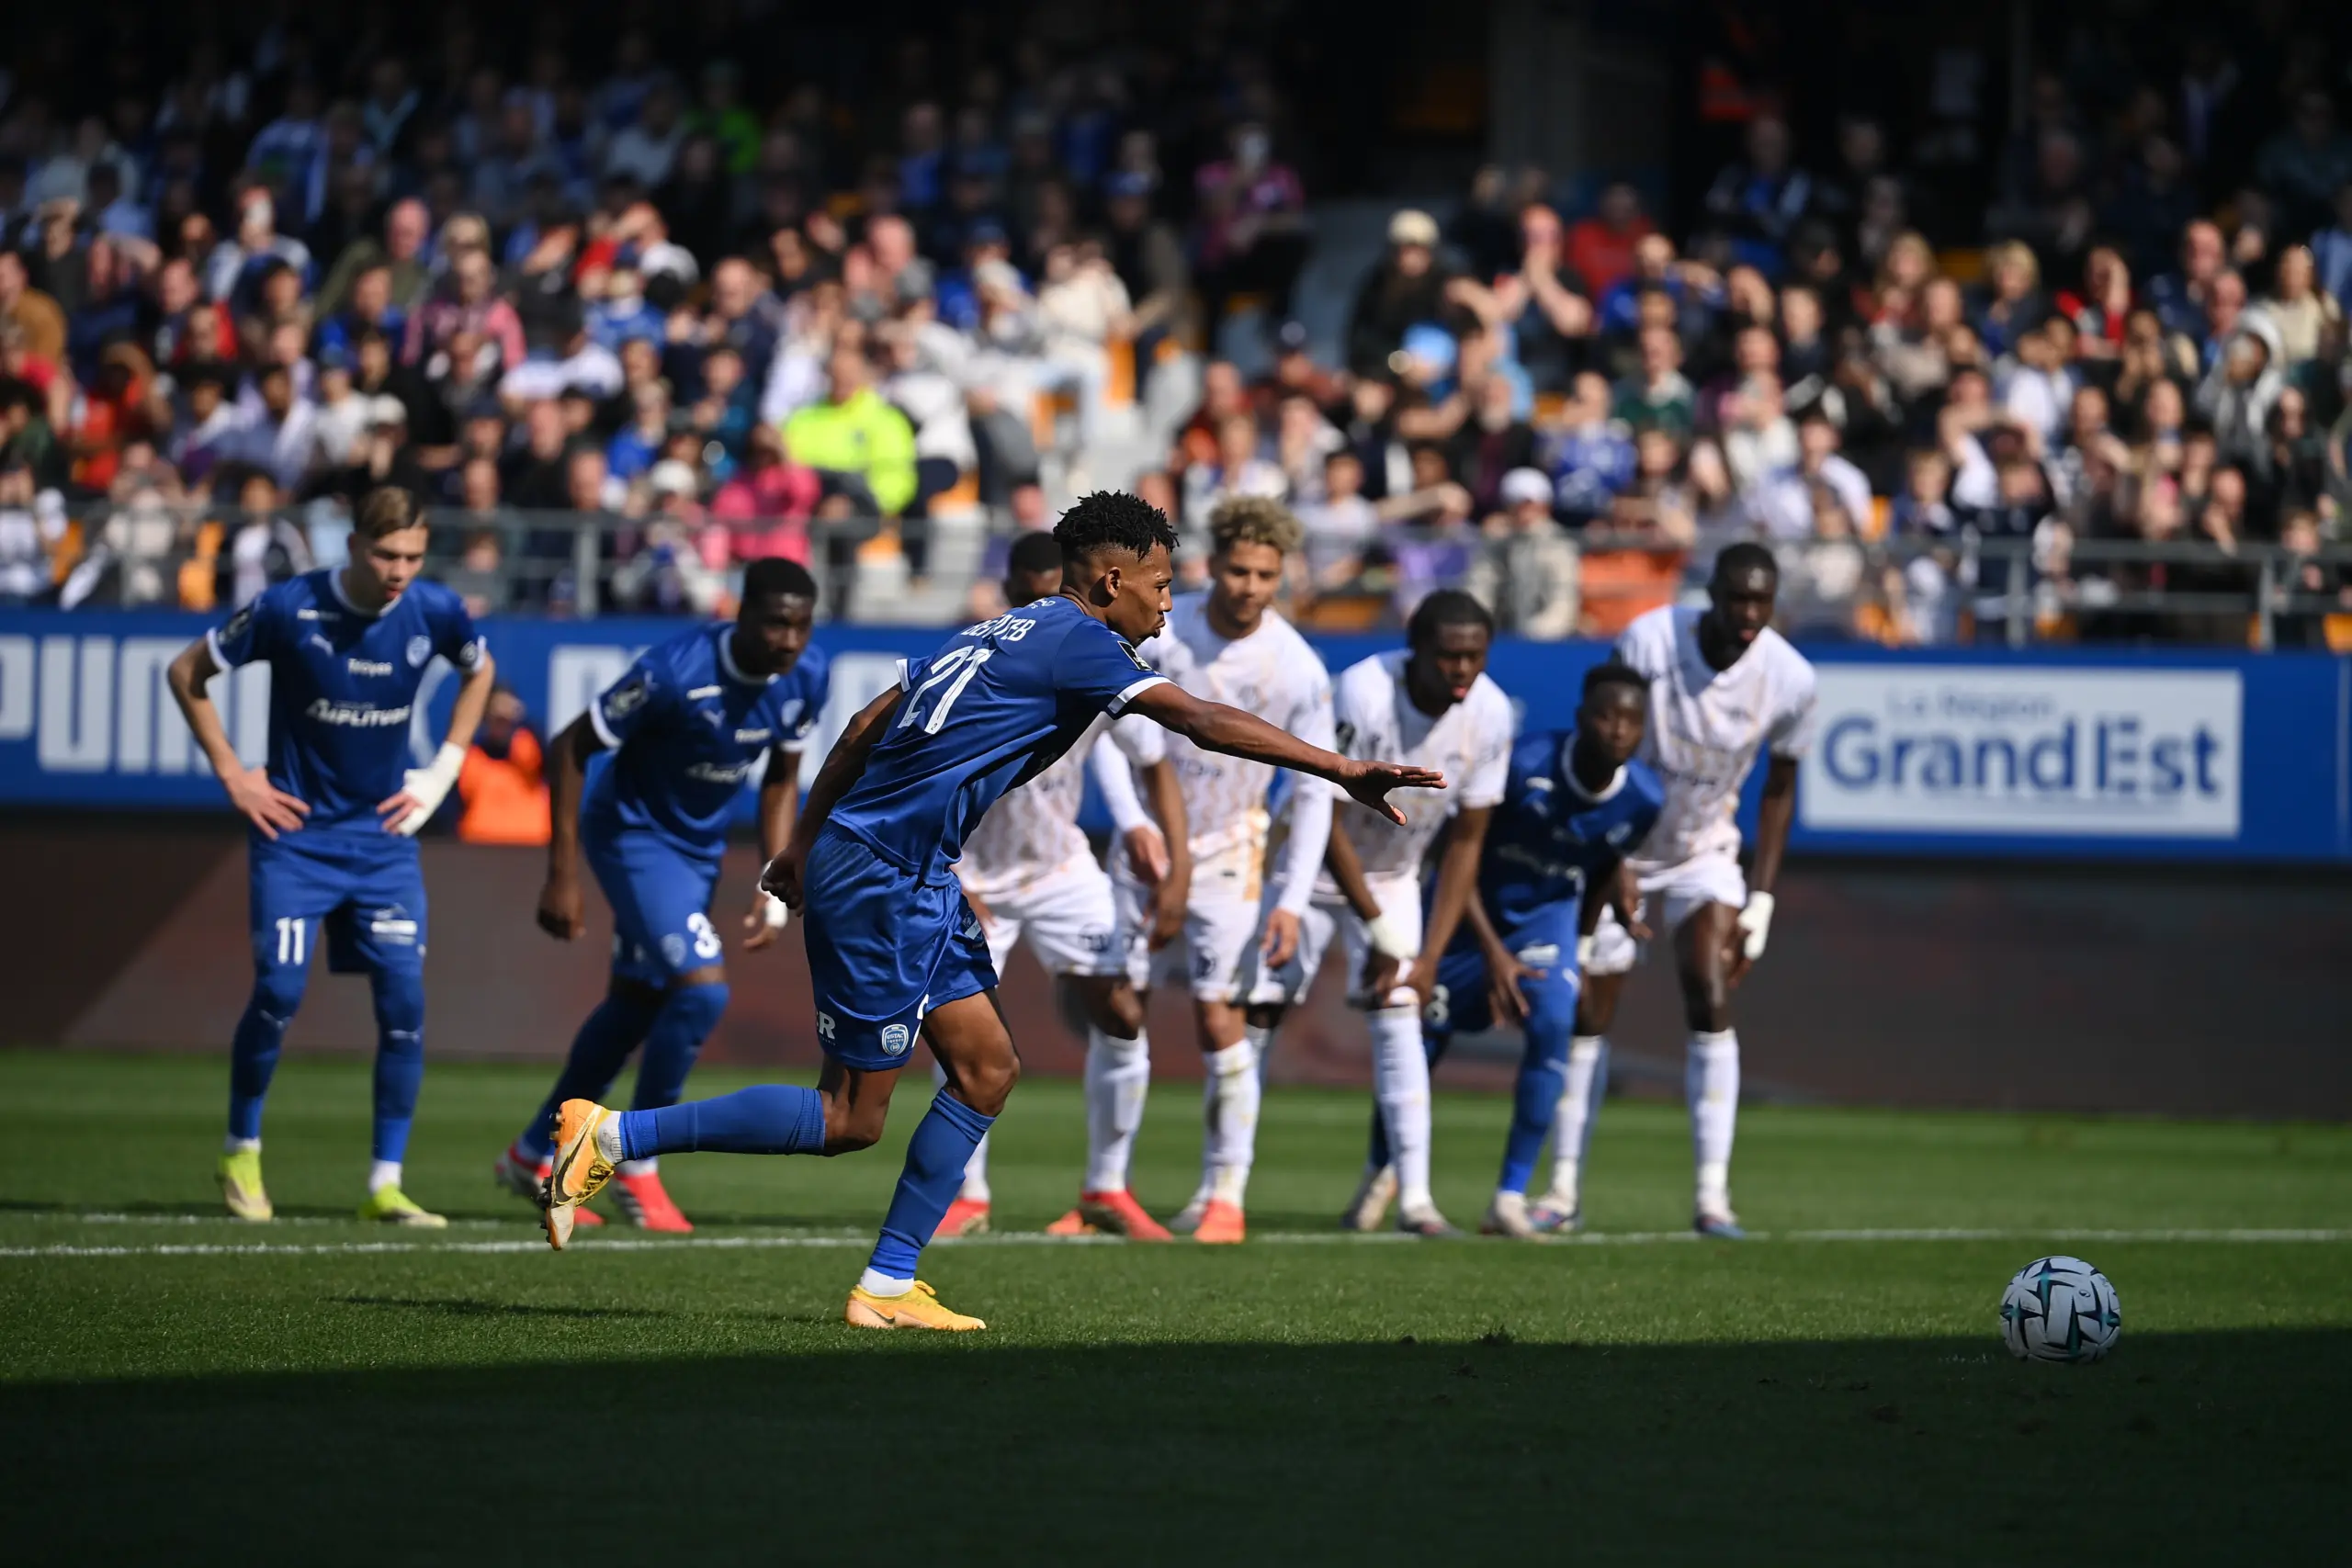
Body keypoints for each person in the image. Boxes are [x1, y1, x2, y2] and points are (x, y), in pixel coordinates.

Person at [537, 492, 1442, 1331]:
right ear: (1110, 581)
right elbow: (1198, 720)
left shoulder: (1004, 627)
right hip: (884, 876)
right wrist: (1341, 768)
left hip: (907, 869)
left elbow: (863, 728)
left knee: (987, 1070)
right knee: (849, 1117)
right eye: (1162, 584)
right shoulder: (1084, 642)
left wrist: (803, 844)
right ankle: (613, 1134)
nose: (1172, 602)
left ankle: (888, 1285)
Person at [163, 487, 496, 1225]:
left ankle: (385, 1183)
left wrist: (443, 771)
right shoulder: (289, 608)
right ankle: (239, 1147)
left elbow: (480, 672)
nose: (399, 570)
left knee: (405, 1005)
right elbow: (187, 674)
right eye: (385, 554)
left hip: (382, 844)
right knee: (279, 992)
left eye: (412, 554)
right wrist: (233, 773)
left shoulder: (436, 611)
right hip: (297, 838)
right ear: (352, 545)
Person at [502, 559, 830, 1233]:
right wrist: (560, 874)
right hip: (631, 836)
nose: (789, 640)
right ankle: (637, 1162)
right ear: (740, 614)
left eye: (801, 625)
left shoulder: (808, 675)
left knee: (636, 1003)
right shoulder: (672, 671)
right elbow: (569, 746)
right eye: (776, 622)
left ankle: (533, 1152)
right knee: (702, 990)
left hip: (697, 852)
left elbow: (780, 780)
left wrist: (775, 878)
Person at [936, 533, 1190, 1241]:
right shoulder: (979, 653)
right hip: (972, 872)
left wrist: (1168, 851)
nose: (1051, 601)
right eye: (1036, 588)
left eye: (1061, 587)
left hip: (1058, 867)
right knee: (964, 1033)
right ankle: (968, 1195)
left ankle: (1107, 1187)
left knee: (1120, 1010)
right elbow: (919, 769)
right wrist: (949, 873)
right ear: (1013, 587)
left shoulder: (1096, 655)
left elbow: (1149, 756)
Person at [1247, 591, 1516, 1236]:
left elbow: (1467, 844)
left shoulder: (1493, 713)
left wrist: (1425, 956)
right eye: (1448, 655)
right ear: (1414, 650)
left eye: (1474, 656)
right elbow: (1325, 816)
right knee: (1255, 1014)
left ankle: (1417, 1200)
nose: (1461, 668)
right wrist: (1376, 925)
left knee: (1402, 1019)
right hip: (1308, 868)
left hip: (1395, 877)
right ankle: (1221, 1189)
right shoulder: (1363, 691)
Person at [1573, 544, 1817, 1238]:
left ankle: (1713, 1197)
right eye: (1735, 598)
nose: (1746, 614)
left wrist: (1762, 899)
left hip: (1703, 852)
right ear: (1710, 593)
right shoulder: (1650, 638)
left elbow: (1778, 790)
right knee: (1587, 1013)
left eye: (1760, 602)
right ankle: (1562, 1190)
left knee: (1710, 990)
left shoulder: (1792, 679)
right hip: (1623, 846)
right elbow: (1603, 744)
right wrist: (1607, 846)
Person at [1114, 497, 1335, 1243]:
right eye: (1237, 568)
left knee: (1218, 1018)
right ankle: (1103, 1188)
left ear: (1281, 576)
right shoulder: (1162, 633)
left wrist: (1292, 900)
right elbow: (1108, 733)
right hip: (1144, 847)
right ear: (1213, 564)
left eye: (1264, 573)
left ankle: (1225, 1197)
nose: (1248, 584)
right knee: (1117, 1010)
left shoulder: (1298, 667)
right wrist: (1135, 822)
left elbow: (1313, 794)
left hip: (1233, 855)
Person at [1414, 661, 1664, 1238]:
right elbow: (1459, 852)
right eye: (1606, 716)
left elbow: (1605, 865)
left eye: (1632, 720)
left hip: (1545, 922)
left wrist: (1575, 946)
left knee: (1556, 1020)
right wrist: (1495, 952)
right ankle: (1388, 1175)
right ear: (1581, 719)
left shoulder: (1646, 798)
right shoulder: (1524, 763)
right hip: (1467, 912)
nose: (1618, 730)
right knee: (1420, 1036)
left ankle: (1509, 1196)